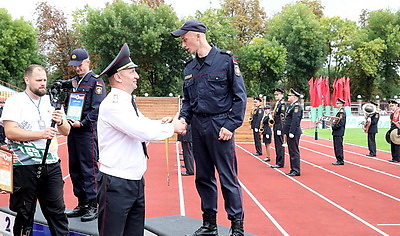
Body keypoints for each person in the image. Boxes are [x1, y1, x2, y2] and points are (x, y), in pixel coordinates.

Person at [96, 43, 187, 236]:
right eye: (132, 72)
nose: (137, 76)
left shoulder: (126, 102)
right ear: (119, 76)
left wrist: (161, 122)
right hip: (116, 182)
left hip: (134, 181)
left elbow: (142, 125)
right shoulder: (113, 104)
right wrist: (172, 128)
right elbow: (139, 130)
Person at [171, 20, 247, 236]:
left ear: (197, 36)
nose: (184, 45)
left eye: (185, 40)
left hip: (220, 125)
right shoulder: (190, 68)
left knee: (227, 177)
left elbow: (240, 97)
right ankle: (209, 223)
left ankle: (237, 225)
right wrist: (184, 119)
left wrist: (230, 125)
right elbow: (187, 100)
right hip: (198, 126)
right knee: (203, 177)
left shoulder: (225, 61)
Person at [1, 64, 70, 235]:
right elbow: (10, 132)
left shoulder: (51, 101)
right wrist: (41, 134)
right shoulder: (15, 101)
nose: (43, 83)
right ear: (27, 80)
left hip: (51, 164)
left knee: (58, 212)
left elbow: (66, 131)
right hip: (25, 167)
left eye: (45, 80)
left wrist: (61, 121)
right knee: (25, 214)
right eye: (39, 80)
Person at [65, 48, 106, 222]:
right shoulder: (74, 82)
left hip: (86, 131)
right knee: (74, 167)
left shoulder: (96, 82)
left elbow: (97, 109)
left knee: (88, 168)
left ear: (88, 62)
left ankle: (93, 204)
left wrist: (82, 123)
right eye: (74, 66)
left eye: (80, 65)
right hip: (72, 129)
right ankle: (81, 202)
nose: (77, 68)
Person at [282, 88, 303, 176]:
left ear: (294, 97)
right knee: (291, 151)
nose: (288, 97)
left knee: (294, 151)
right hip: (290, 132)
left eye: (289, 95)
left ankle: (296, 170)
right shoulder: (292, 106)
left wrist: (292, 132)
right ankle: (293, 169)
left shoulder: (297, 107)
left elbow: (295, 120)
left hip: (293, 132)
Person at [271, 88, 287, 169]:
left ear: (281, 95)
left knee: (280, 145)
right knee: (277, 145)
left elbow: (282, 117)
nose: (276, 96)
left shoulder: (282, 104)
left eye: (277, 94)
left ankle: (280, 162)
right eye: (275, 95)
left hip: (279, 126)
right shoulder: (278, 103)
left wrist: (280, 128)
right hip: (276, 125)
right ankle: (278, 161)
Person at [332, 98, 347, 165]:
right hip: (337, 131)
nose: (336, 104)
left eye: (338, 103)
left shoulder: (341, 112)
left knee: (338, 146)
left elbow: (341, 123)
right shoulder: (339, 111)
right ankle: (338, 159)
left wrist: (333, 127)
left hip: (338, 131)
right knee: (336, 146)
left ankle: (340, 160)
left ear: (341, 104)